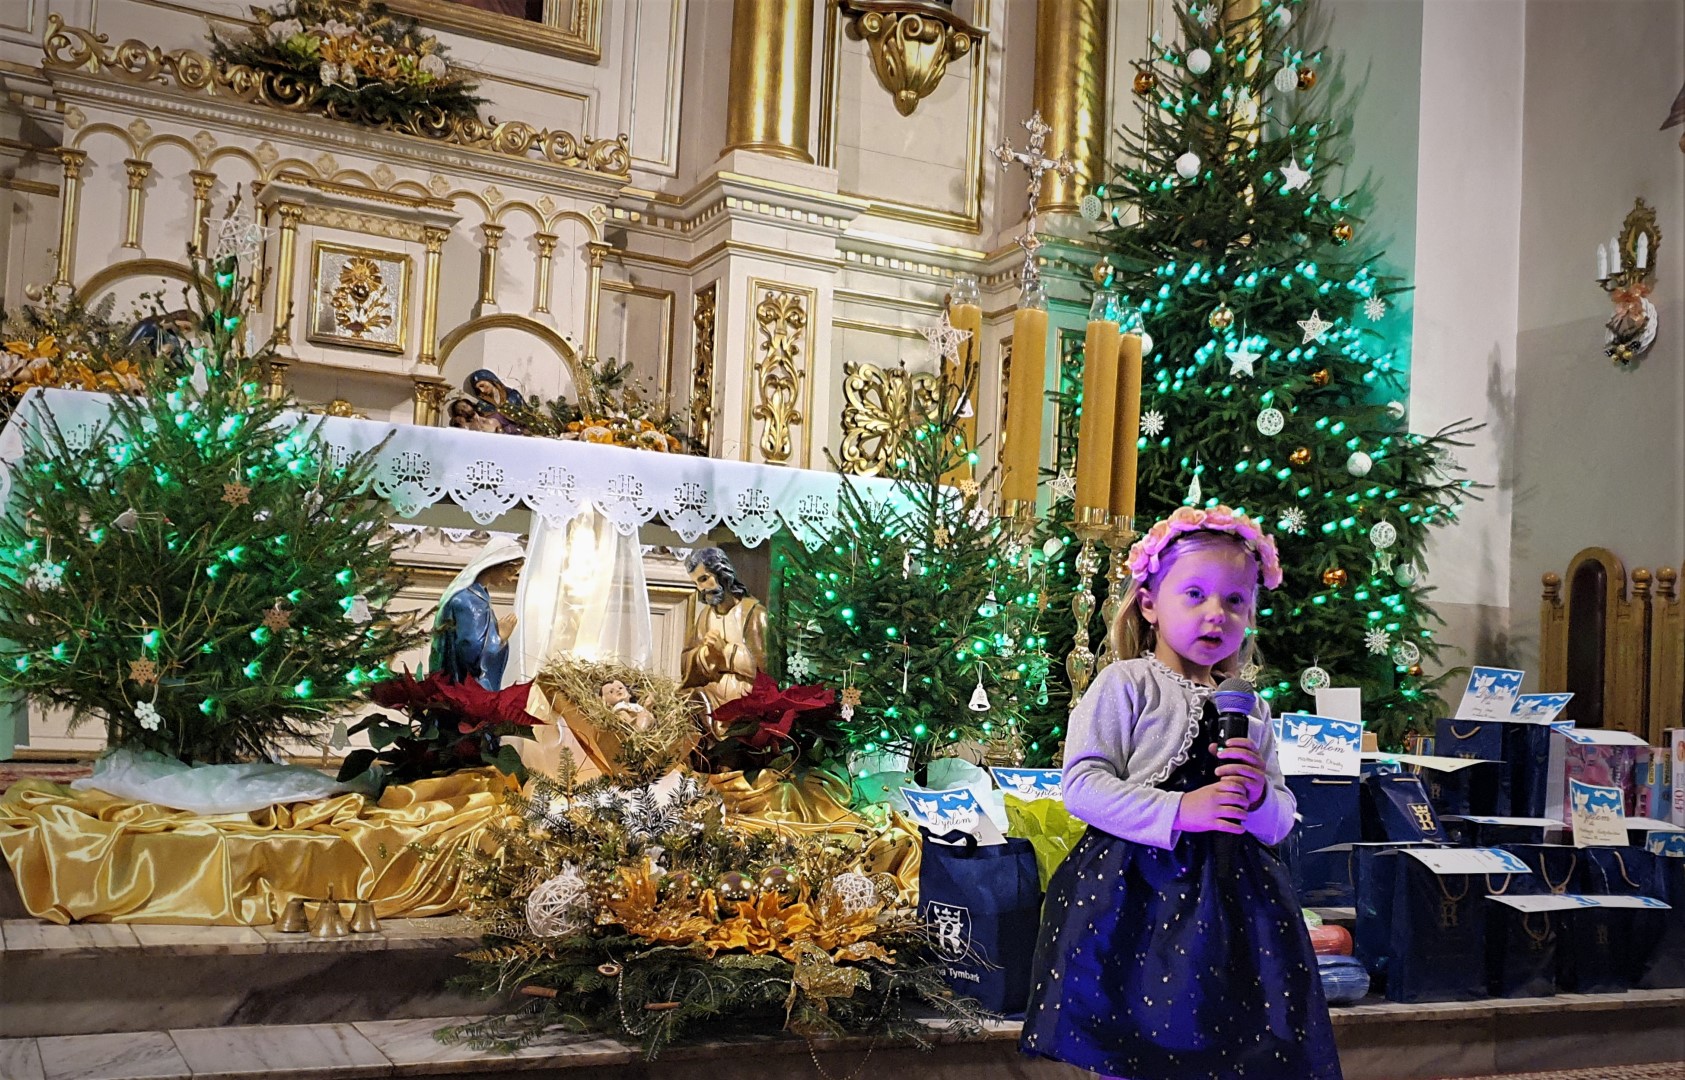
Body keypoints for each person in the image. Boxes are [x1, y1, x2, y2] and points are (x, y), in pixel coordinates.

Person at [1020, 505, 1342, 1080]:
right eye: (1194, 594)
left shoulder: (1253, 709)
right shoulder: (1126, 684)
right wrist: (1181, 808)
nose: (1216, 613)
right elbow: (1082, 785)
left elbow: (1280, 821)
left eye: (1235, 600)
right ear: (1149, 603)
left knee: (1236, 1040)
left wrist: (1257, 799)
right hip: (1137, 892)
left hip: (1234, 897)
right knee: (1136, 1038)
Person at [679, 547, 767, 723]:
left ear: (722, 573)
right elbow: (687, 660)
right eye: (696, 583)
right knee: (681, 702)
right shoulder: (705, 616)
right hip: (711, 698)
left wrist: (725, 652)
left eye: (704, 579)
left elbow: (766, 666)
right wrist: (706, 655)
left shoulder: (754, 613)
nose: (702, 589)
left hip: (745, 698)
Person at [430, 537, 525, 688]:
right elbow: (471, 653)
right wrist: (499, 637)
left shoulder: (477, 596)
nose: (510, 579)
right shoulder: (468, 600)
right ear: (494, 564)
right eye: (509, 571)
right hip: (467, 688)